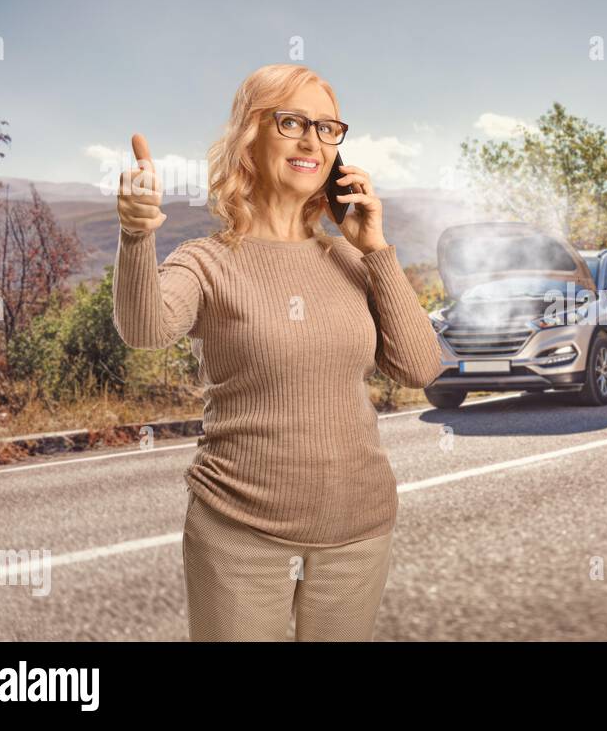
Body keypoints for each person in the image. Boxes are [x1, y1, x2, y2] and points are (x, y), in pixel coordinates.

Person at [112, 63, 445, 640]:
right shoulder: (207, 260)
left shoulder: (351, 261)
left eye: (327, 128)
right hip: (239, 532)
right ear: (251, 134)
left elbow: (420, 367)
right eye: (291, 121)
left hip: (359, 533)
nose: (311, 140)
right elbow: (146, 328)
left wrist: (376, 248)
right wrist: (137, 235)